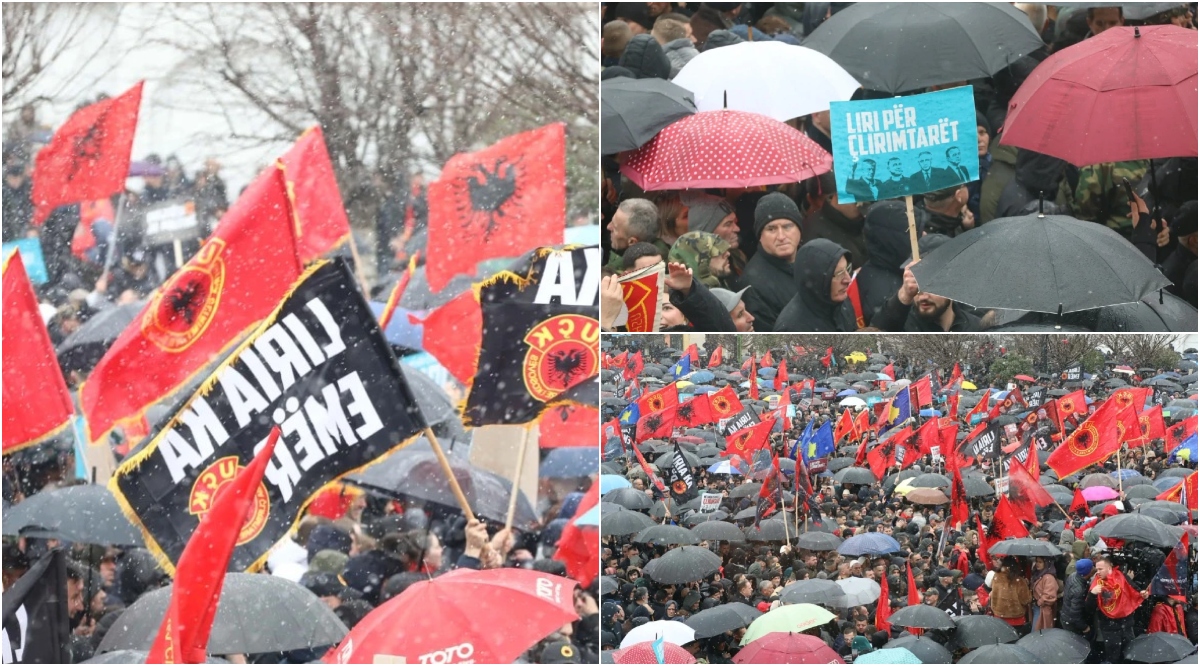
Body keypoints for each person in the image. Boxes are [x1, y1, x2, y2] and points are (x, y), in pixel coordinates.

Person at [735, 192, 802, 332]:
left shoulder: (812, 260)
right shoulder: (753, 285)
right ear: (760, 236)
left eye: (787, 226)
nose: (781, 236)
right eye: (771, 229)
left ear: (799, 229)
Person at [773, 239, 853, 332]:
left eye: (847, 269)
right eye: (839, 274)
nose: (848, 280)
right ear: (816, 279)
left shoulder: (841, 300)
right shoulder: (791, 329)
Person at [606, 198, 660, 271]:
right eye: (612, 221)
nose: (608, 227)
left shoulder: (617, 275)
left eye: (615, 228)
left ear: (632, 242)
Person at [1031, 556, 1060, 630]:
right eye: (1037, 561)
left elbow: (1050, 595)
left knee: (1038, 633)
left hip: (1042, 609)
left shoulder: (1049, 577)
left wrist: (1040, 602)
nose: (1037, 564)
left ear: (1046, 564)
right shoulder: (1039, 574)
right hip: (1038, 608)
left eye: (1040, 562)